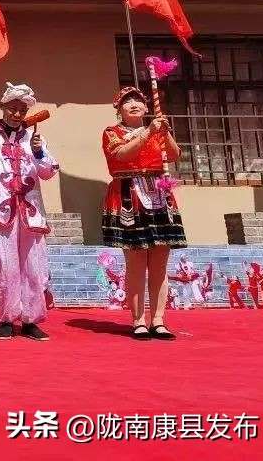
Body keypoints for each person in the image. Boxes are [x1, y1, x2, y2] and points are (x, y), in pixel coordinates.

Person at [0, 83, 59, 341]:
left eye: (22, 110)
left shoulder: (33, 138)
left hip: (30, 211)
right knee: (4, 264)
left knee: (34, 266)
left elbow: (48, 172)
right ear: (2, 107)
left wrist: (39, 151)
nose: (17, 114)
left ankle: (31, 320)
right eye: (12, 108)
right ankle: (6, 318)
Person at [103, 86, 185, 341]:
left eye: (138, 100)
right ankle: (138, 320)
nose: (133, 104)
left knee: (160, 263)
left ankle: (158, 320)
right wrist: (148, 132)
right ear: (119, 110)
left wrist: (165, 132)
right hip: (129, 196)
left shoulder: (157, 130)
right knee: (136, 263)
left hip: (159, 194)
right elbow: (122, 155)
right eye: (127, 101)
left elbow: (174, 155)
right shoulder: (112, 133)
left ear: (147, 107)